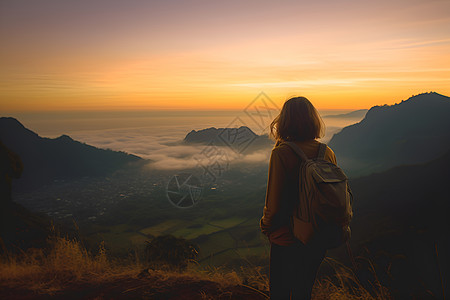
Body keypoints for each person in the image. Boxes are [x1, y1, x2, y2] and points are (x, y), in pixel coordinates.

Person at [260, 96, 337, 300]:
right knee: (303, 292)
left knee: (280, 293)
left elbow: (273, 205)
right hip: (316, 238)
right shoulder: (326, 152)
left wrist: (266, 227)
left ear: (284, 121)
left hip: (286, 239)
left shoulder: (281, 153)